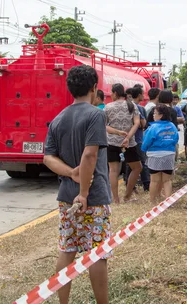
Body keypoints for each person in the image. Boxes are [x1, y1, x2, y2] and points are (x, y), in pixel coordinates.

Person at [42, 65, 111, 304]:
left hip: (65, 197)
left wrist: (70, 172)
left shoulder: (59, 118)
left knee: (67, 250)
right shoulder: (96, 115)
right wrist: (84, 192)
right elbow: (90, 154)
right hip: (92, 197)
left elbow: (48, 157)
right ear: (94, 88)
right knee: (97, 254)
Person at [104, 83, 143, 204]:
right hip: (129, 143)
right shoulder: (132, 105)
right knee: (137, 168)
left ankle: (115, 199)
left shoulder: (108, 107)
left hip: (111, 142)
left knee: (113, 171)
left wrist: (117, 132)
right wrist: (128, 136)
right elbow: (137, 123)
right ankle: (127, 196)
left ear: (115, 93)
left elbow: (103, 126)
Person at [141, 104, 179, 203]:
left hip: (155, 155)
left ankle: (152, 201)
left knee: (154, 180)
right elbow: (176, 139)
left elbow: (146, 141)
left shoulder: (153, 127)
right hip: (169, 155)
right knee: (167, 180)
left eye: (155, 113)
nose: (153, 115)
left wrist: (144, 149)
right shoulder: (172, 126)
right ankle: (168, 202)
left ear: (161, 115)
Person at [128, 86, 150, 191]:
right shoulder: (139, 108)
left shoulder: (127, 106)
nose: (144, 96)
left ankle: (130, 185)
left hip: (127, 139)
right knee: (143, 163)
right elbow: (143, 124)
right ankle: (147, 185)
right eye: (143, 94)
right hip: (138, 139)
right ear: (139, 95)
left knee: (130, 163)